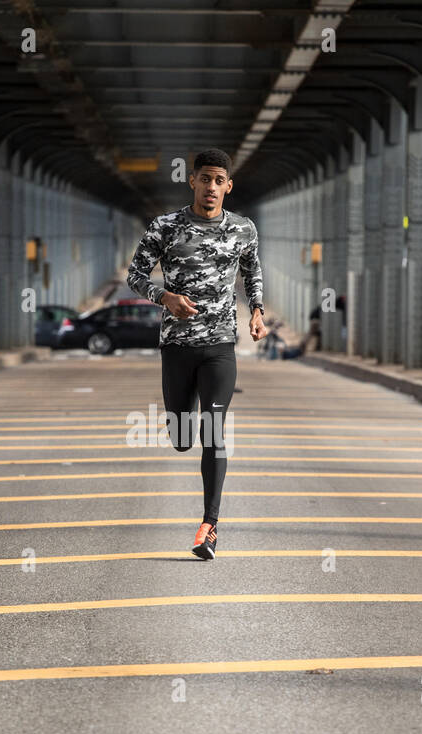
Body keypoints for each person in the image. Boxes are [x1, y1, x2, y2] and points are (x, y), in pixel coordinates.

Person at [125, 147, 267, 559]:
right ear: (193, 181)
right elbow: (135, 275)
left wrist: (256, 311)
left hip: (221, 345)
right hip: (177, 346)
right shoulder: (165, 227)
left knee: (215, 431)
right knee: (183, 437)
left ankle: (210, 526)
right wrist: (164, 296)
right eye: (205, 179)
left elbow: (252, 270)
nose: (211, 187)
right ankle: (180, 433)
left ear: (228, 186)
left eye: (219, 180)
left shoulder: (243, 229)